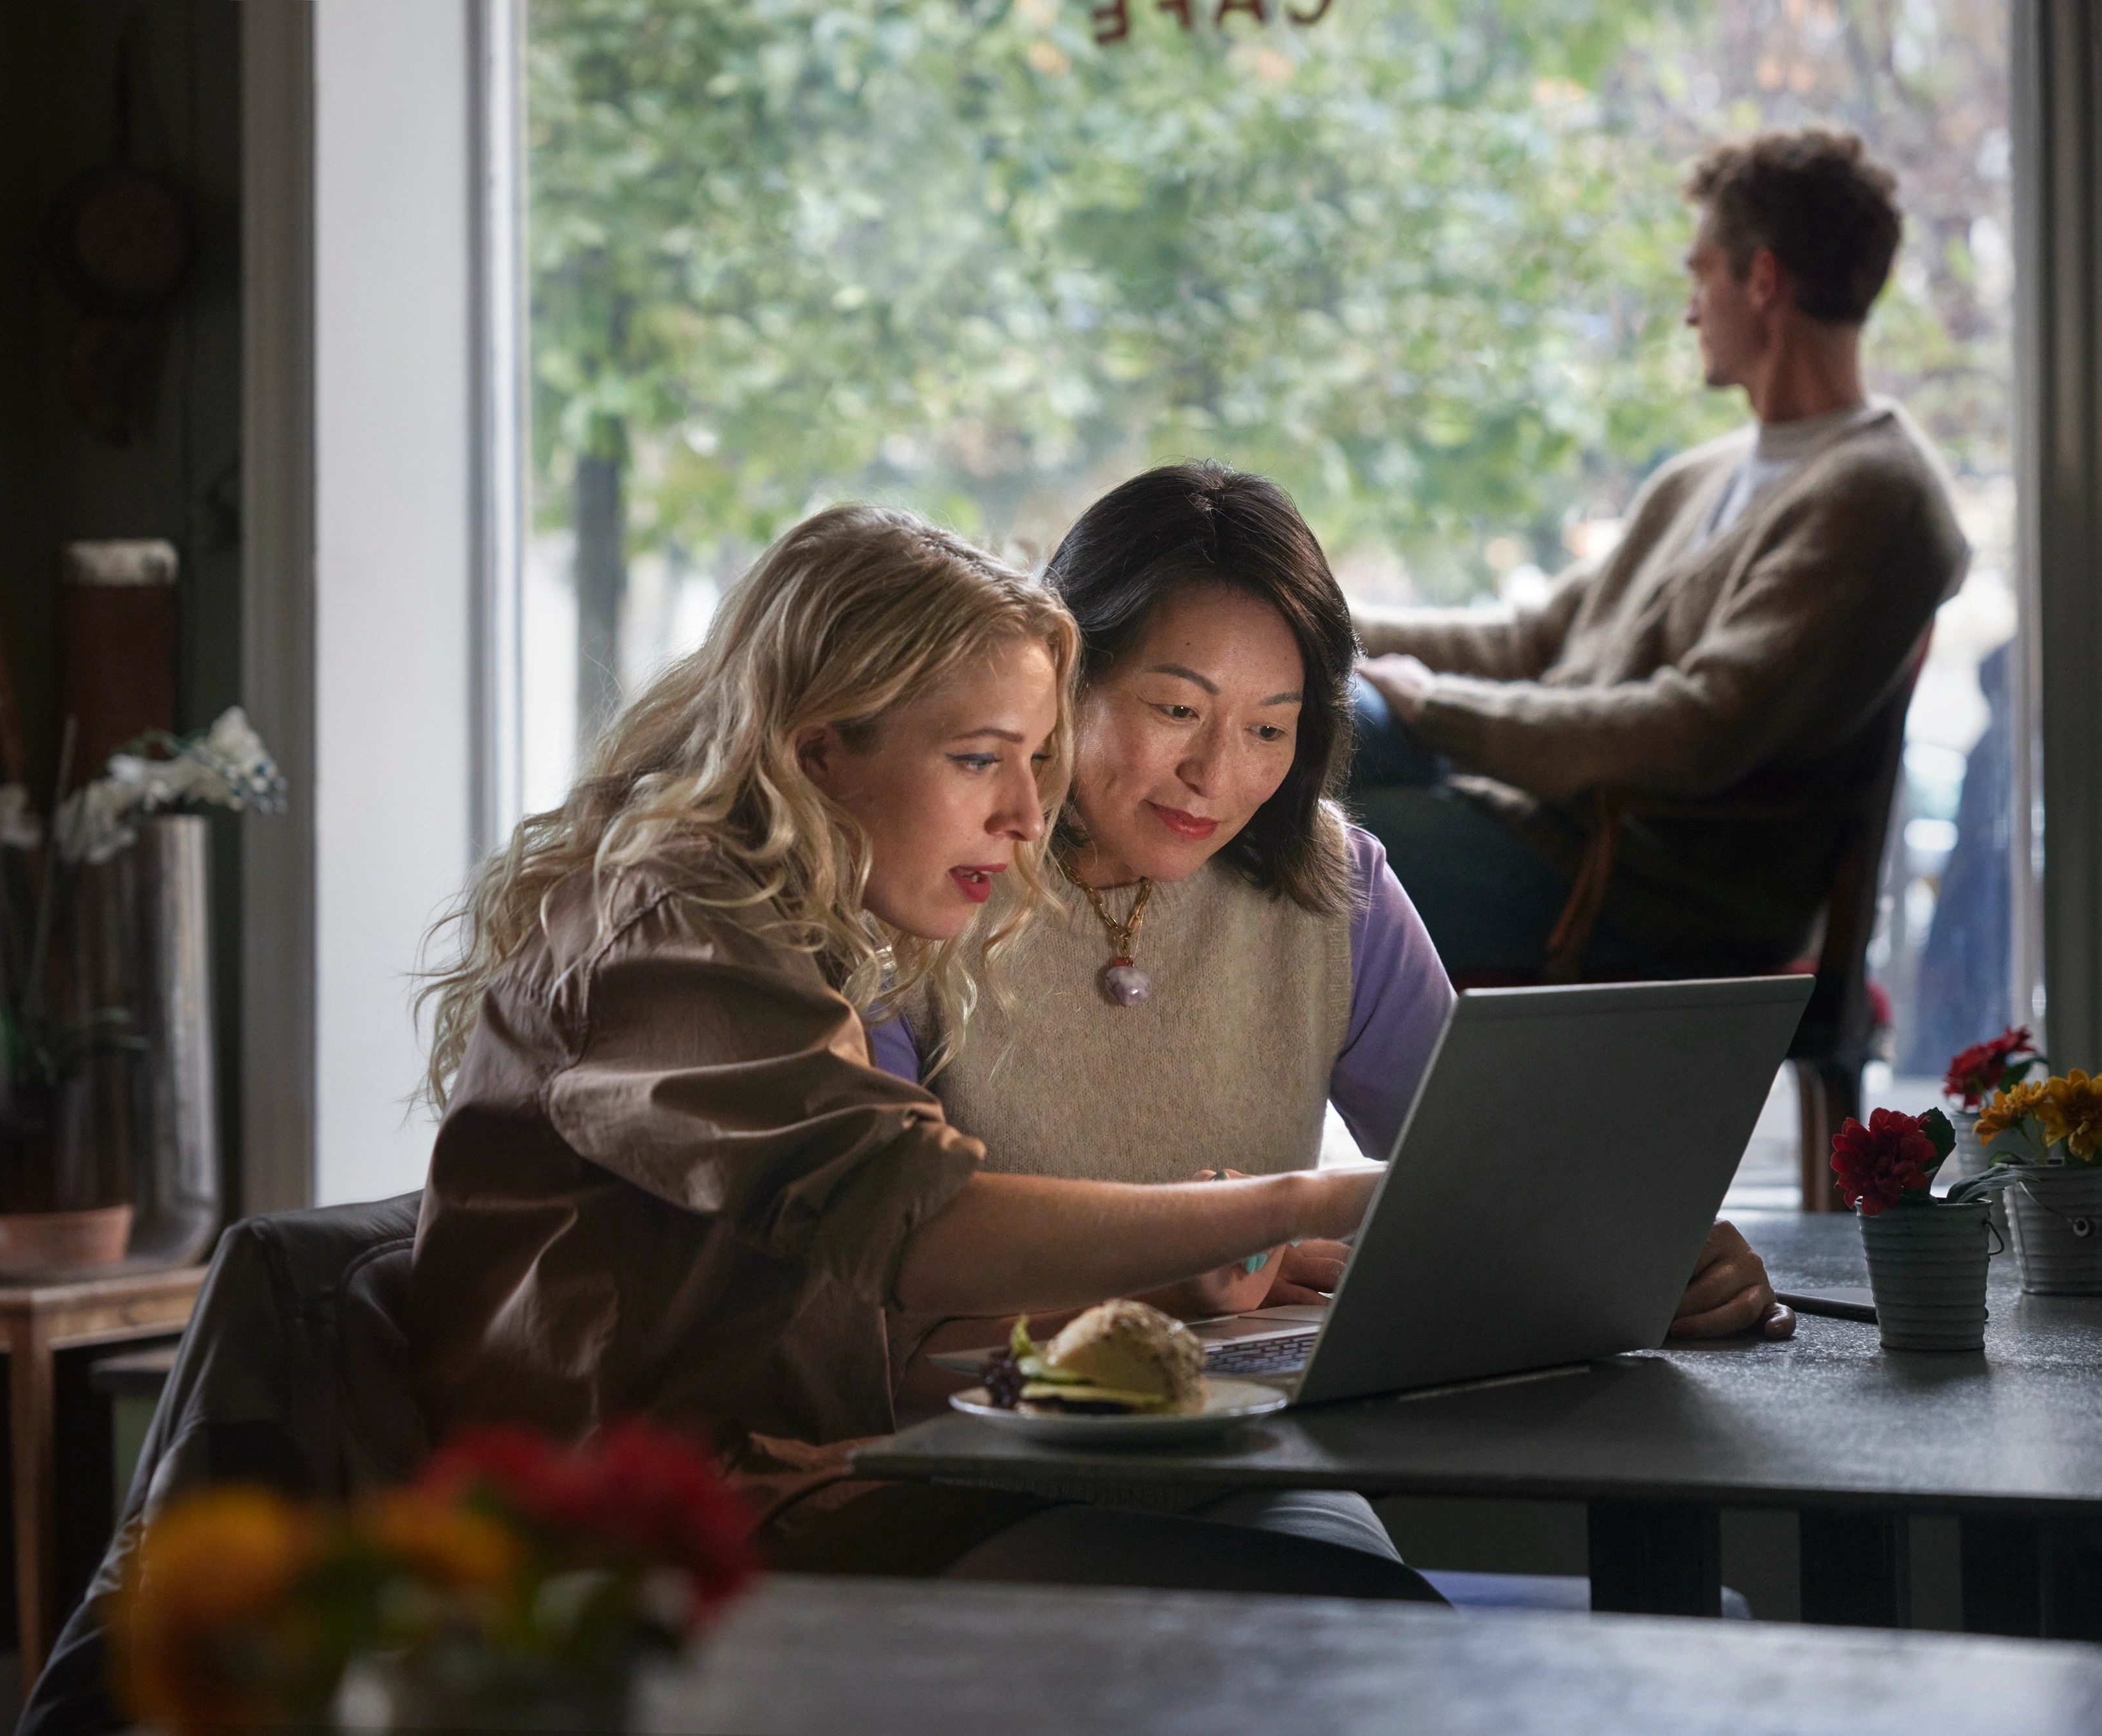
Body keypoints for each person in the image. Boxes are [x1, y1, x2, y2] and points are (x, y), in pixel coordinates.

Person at [408, 503, 1382, 1577]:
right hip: (667, 1546)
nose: (1025, 816)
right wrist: (1310, 1200)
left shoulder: (793, 929)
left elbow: (868, 1337)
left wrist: (1168, 1303)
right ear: (817, 752)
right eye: (979, 759)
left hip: (828, 1483)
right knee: (1308, 1601)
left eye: (1038, 761)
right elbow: (919, 1229)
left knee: (1320, 1584)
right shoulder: (670, 931)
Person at [892, 467, 1788, 1565]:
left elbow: (1489, 1186)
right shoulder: (932, 877)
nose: (1216, 776)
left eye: (1271, 729)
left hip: (1254, 1469)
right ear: (1061, 673)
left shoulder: (1333, 886)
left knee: (1365, 1632)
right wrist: (1199, 1269)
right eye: (1176, 710)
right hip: (978, 1472)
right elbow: (880, 1288)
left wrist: (1654, 1258)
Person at [1348, 127, 1967, 980]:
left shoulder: (1877, 496)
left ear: (1762, 280)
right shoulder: (1704, 474)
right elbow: (1533, 640)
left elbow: (1697, 728)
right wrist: (1313, 618)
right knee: (1311, 705)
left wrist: (1440, 710)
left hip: (1641, 890)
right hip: (1538, 825)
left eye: (1699, 271)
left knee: (1281, 843)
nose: (1688, 307)